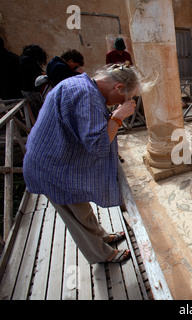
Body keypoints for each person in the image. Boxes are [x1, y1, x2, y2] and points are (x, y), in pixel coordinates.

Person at [23, 63, 148, 264]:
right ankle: (102, 254)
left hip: (59, 162)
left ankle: (102, 236)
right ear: (118, 88)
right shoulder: (86, 97)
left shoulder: (83, 84)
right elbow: (98, 144)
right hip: (51, 168)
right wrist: (118, 116)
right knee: (76, 218)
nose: (124, 102)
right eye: (125, 98)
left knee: (81, 207)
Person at [18, 44, 47, 118]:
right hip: (31, 91)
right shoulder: (28, 62)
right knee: (38, 111)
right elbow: (37, 74)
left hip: (27, 90)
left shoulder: (24, 61)